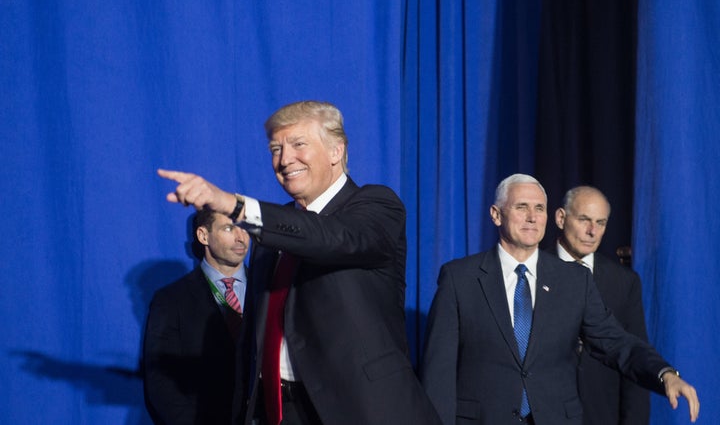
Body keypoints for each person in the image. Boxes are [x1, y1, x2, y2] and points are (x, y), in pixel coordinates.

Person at [157, 100, 441, 425]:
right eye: (276, 149)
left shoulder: (377, 206)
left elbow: (327, 237)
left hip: (359, 411)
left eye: (298, 144)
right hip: (279, 412)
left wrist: (230, 204)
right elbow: (253, 339)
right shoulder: (271, 231)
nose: (284, 159)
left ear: (336, 151)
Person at [420, 173, 699, 425]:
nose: (532, 216)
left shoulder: (574, 281)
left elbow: (616, 341)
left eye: (539, 208)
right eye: (521, 207)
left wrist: (664, 373)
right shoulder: (460, 278)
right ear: (496, 215)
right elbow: (438, 374)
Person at [143, 209, 250, 425]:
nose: (241, 237)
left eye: (245, 227)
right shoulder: (171, 300)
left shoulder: (270, 288)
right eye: (229, 228)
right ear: (203, 236)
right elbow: (161, 381)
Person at [554, 186, 649, 425]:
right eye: (584, 220)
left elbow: (633, 365)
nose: (592, 231)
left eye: (601, 223)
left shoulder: (624, 282)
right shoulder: (531, 272)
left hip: (602, 416)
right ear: (560, 218)